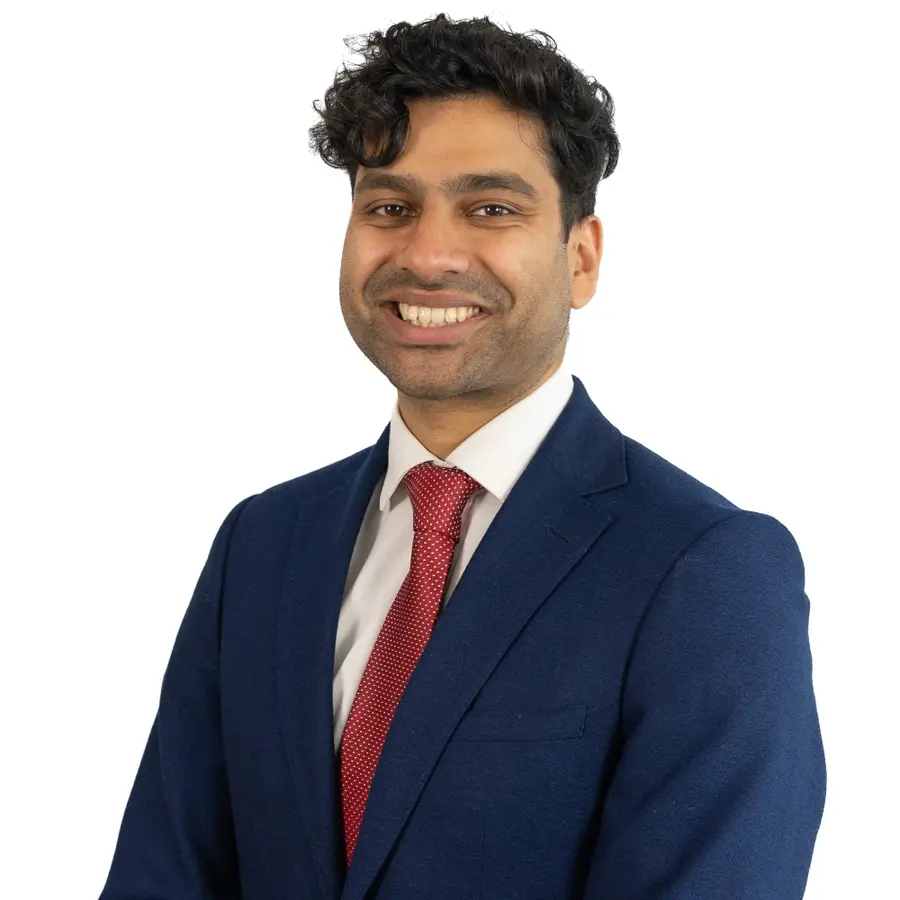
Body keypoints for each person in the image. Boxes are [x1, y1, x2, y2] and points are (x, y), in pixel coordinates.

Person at [98, 13, 826, 900]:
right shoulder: (262, 544)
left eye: (491, 208)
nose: (428, 253)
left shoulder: (708, 570)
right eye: (390, 207)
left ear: (582, 258)